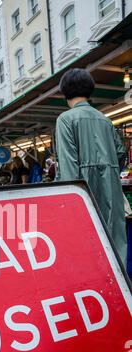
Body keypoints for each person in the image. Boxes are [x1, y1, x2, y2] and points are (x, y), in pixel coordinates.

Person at [55, 68, 127, 266]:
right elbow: (121, 153)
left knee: (86, 242)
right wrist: (109, 170)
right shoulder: (105, 120)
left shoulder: (65, 119)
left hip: (83, 190)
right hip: (111, 186)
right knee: (114, 241)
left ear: (65, 92)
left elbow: (69, 167)